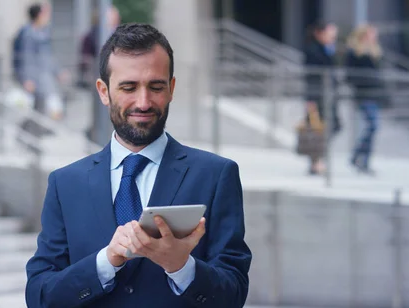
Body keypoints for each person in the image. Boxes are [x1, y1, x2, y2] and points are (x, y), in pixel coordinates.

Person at [25, 24, 252, 308]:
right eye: (129, 87)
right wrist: (105, 262)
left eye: (155, 87)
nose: (143, 102)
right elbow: (40, 297)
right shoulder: (65, 183)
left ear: (171, 89)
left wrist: (181, 266)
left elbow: (234, 295)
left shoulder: (216, 176)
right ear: (104, 91)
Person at [14, 2, 68, 121]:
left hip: (44, 77)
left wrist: (58, 71)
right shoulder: (28, 33)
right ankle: (26, 136)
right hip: (35, 79)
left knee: (44, 109)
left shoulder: (43, 32)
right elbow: (26, 57)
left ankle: (33, 135)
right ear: (38, 15)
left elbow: (48, 56)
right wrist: (27, 79)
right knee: (34, 111)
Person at [344, 25, 384, 175]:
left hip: (374, 94)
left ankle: (360, 159)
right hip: (363, 94)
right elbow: (349, 75)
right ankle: (359, 157)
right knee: (373, 126)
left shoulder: (375, 52)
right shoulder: (354, 53)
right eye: (371, 35)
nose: (374, 38)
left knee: (373, 127)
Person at [303, 21, 340, 175]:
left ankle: (318, 159)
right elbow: (312, 75)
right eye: (330, 34)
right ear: (320, 33)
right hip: (317, 96)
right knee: (317, 130)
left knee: (331, 127)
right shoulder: (313, 50)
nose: (332, 38)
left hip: (327, 95)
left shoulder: (327, 50)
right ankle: (315, 162)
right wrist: (310, 100)